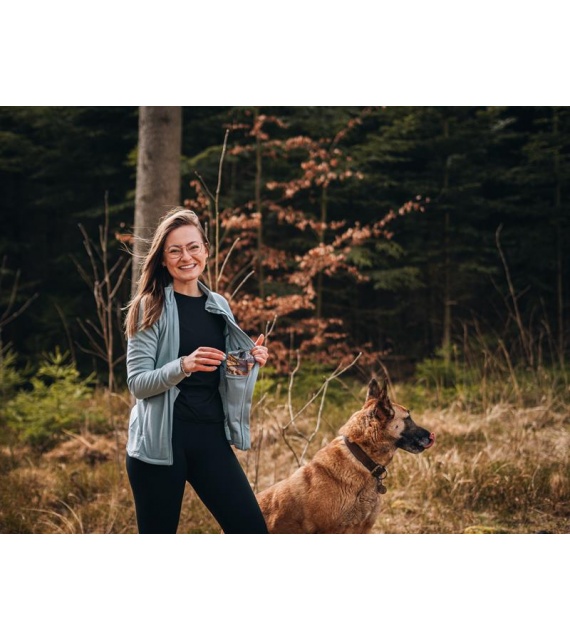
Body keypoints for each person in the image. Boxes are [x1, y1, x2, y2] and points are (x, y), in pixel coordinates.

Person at [124, 207, 269, 534]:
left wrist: (249, 360)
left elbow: (222, 369)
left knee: (251, 531)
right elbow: (138, 384)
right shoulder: (150, 306)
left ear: (206, 250)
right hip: (161, 446)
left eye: (193, 247)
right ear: (163, 259)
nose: (186, 257)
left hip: (210, 437)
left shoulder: (218, 304)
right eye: (175, 250)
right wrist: (182, 365)